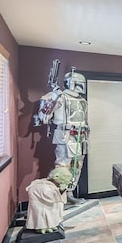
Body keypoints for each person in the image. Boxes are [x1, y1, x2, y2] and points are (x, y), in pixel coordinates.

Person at [35, 64, 90, 204]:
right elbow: (44, 117)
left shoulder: (82, 101)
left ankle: (70, 193)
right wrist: (54, 97)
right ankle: (59, 196)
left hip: (81, 137)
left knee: (77, 167)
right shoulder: (59, 97)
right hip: (65, 137)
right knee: (62, 167)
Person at [25, 166, 73, 233]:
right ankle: (41, 227)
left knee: (53, 209)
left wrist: (61, 190)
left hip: (45, 202)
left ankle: (50, 225)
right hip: (40, 205)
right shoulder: (44, 186)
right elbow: (50, 196)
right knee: (42, 215)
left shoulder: (50, 185)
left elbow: (55, 196)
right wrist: (61, 191)